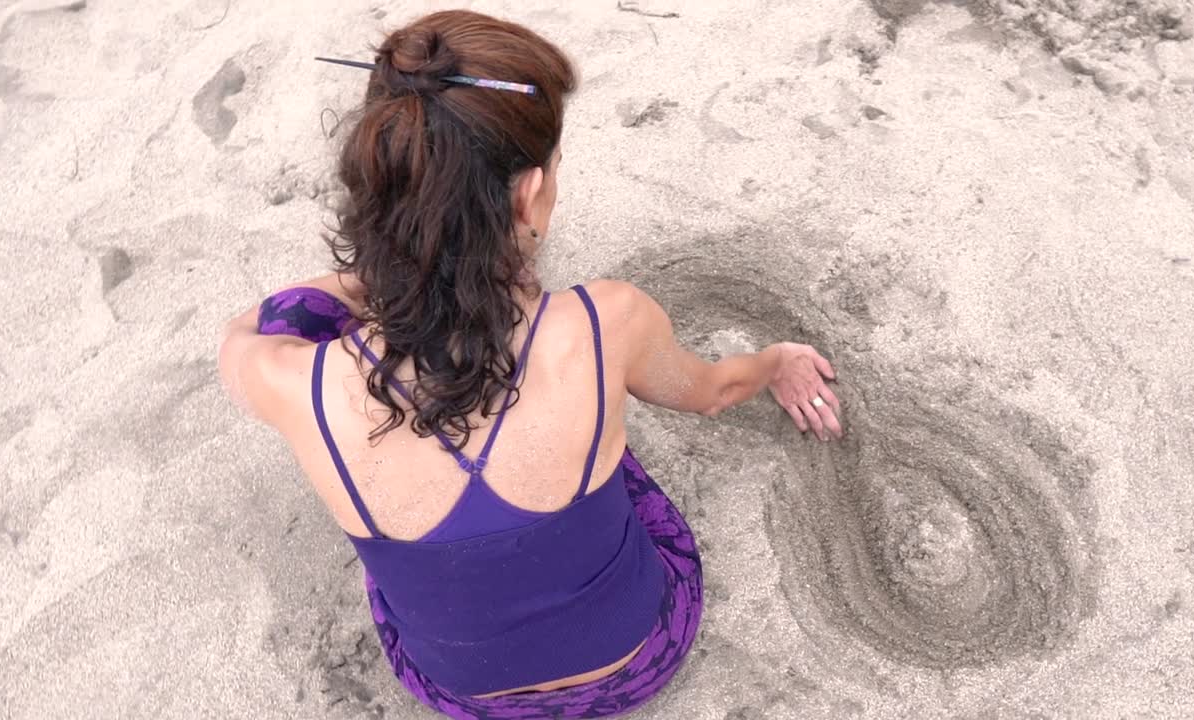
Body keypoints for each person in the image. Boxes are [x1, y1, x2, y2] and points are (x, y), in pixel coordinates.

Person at [217, 9, 842, 719]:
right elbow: (711, 392)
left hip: (460, 693)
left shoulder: (285, 381)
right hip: (635, 661)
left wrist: (403, 266)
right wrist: (773, 363)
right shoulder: (609, 321)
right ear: (527, 192)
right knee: (601, 432)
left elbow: (248, 329)